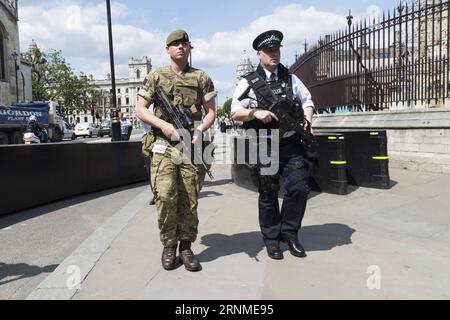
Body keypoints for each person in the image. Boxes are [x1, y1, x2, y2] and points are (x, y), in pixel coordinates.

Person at [136, 29, 217, 272]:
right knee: (164, 195)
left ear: (190, 47)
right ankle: (168, 245)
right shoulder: (156, 77)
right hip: (163, 143)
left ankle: (185, 246)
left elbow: (211, 111)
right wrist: (164, 126)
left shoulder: (201, 77)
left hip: (191, 144)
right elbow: (141, 109)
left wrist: (200, 129)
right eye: (175, 44)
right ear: (167, 49)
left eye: (184, 43)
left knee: (190, 199)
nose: (180, 47)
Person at [231, 30, 315, 260]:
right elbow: (235, 113)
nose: (274, 54)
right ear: (259, 54)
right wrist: (255, 112)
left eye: (276, 49)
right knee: (268, 191)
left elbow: (307, 101)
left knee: (299, 187)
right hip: (265, 144)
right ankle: (271, 238)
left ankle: (289, 233)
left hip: (290, 143)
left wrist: (307, 121)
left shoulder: (290, 77)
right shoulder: (248, 82)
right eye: (269, 51)